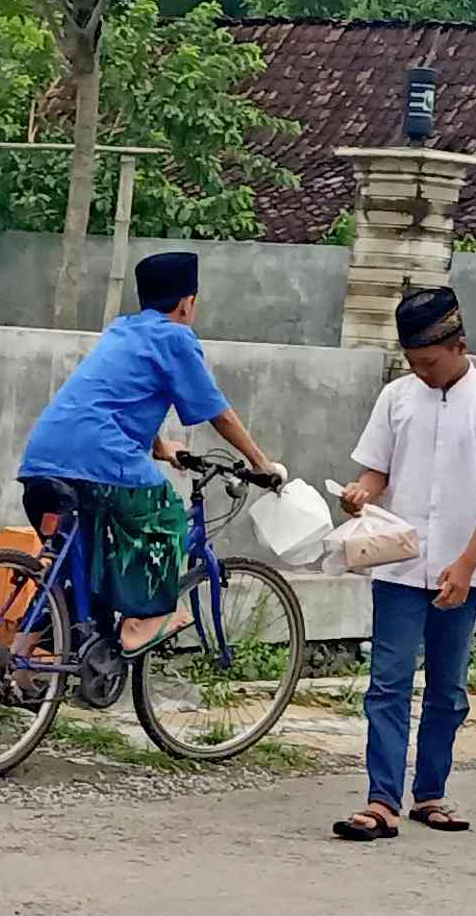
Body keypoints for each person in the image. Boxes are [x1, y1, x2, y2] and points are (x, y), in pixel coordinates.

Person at [15, 249, 284, 655]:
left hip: (41, 462)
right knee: (167, 516)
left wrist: (160, 448)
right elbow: (218, 412)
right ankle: (147, 620)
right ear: (186, 302)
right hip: (100, 464)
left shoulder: (122, 331)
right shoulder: (175, 336)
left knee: (76, 572)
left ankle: (16, 664)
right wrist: (261, 463)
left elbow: (116, 399)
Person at [334, 288, 476, 842]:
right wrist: (358, 493)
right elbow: (376, 473)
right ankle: (380, 801)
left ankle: (431, 793)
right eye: (412, 364)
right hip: (397, 567)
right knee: (387, 684)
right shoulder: (396, 398)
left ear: (459, 345)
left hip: (459, 570)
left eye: (429, 363)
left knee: (448, 689)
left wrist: (467, 563)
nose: (420, 373)